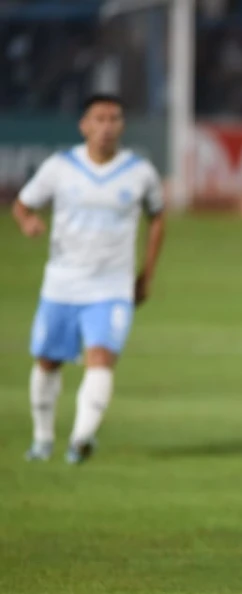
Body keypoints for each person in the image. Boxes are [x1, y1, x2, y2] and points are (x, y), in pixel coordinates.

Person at [13, 94, 166, 464]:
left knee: (101, 357)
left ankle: (82, 438)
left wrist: (146, 273)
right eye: (99, 118)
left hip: (111, 286)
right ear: (84, 125)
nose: (107, 126)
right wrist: (28, 221)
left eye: (114, 118)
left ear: (122, 126)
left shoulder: (140, 171)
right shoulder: (60, 167)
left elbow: (157, 217)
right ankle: (43, 439)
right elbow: (23, 203)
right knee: (48, 361)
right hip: (62, 283)